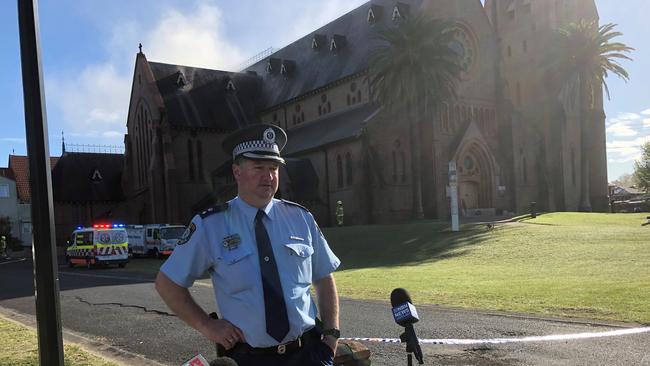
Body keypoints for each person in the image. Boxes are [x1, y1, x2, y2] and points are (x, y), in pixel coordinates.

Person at [155, 124, 341, 366]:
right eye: (259, 167)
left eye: (274, 168)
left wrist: (331, 337)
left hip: (307, 354)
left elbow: (324, 277)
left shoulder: (300, 218)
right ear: (236, 172)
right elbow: (167, 283)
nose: (269, 176)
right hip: (248, 358)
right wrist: (207, 325)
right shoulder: (210, 225)